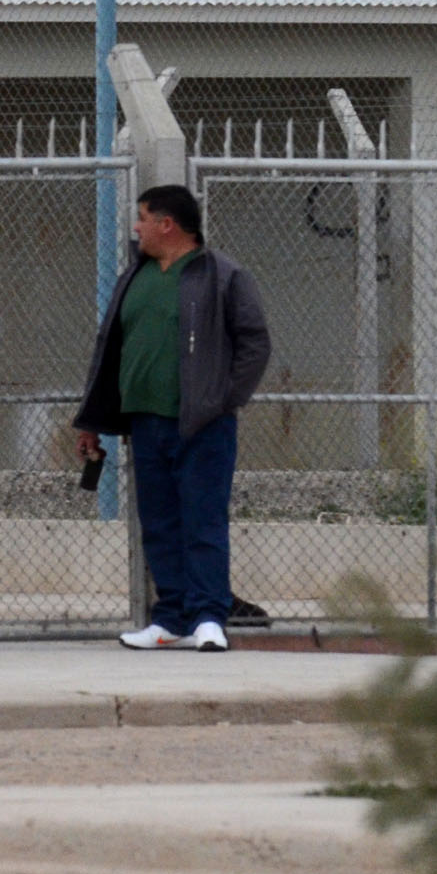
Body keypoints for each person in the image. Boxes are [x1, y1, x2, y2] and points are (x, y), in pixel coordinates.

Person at [73, 184, 270, 652]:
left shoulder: (222, 274)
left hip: (202, 423)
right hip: (144, 422)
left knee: (203, 521)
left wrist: (221, 400)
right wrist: (91, 418)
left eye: (143, 218)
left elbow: (254, 343)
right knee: (159, 523)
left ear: (167, 224)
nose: (136, 227)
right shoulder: (134, 277)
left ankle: (208, 618)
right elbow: (108, 348)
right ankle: (170, 619)